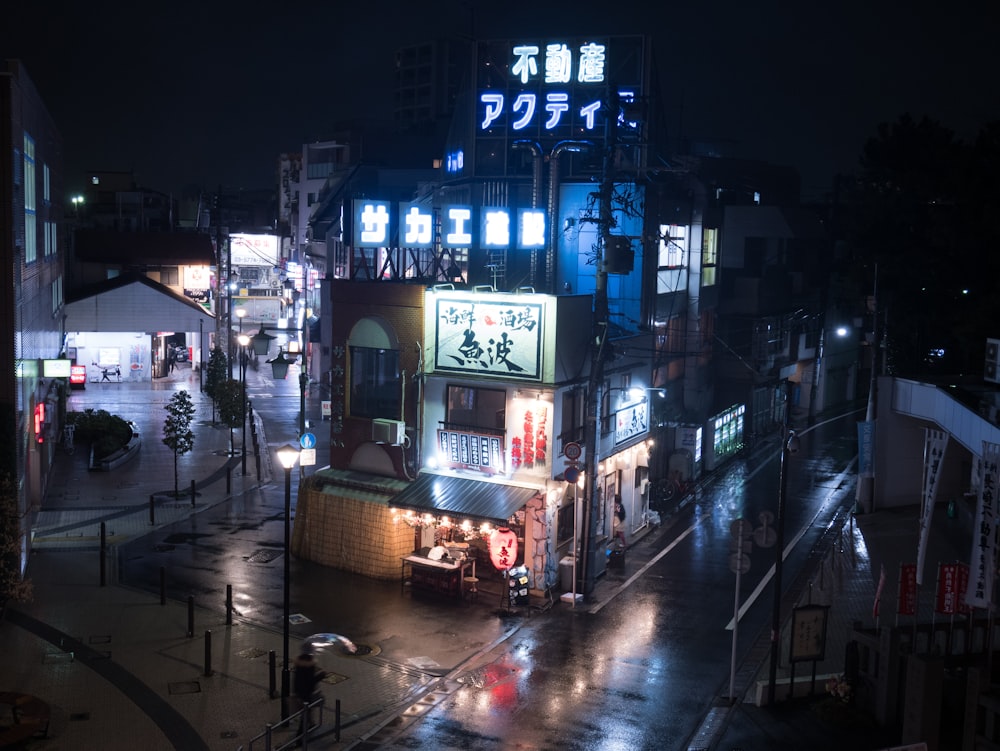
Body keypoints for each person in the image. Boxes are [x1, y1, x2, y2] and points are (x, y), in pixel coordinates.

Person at [293, 647, 327, 736]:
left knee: (308, 710)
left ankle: (311, 723)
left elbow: (297, 679)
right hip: (306, 693)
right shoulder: (309, 666)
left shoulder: (299, 664)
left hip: (300, 692)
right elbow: (310, 681)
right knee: (306, 712)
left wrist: (295, 692)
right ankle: (299, 736)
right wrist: (321, 675)